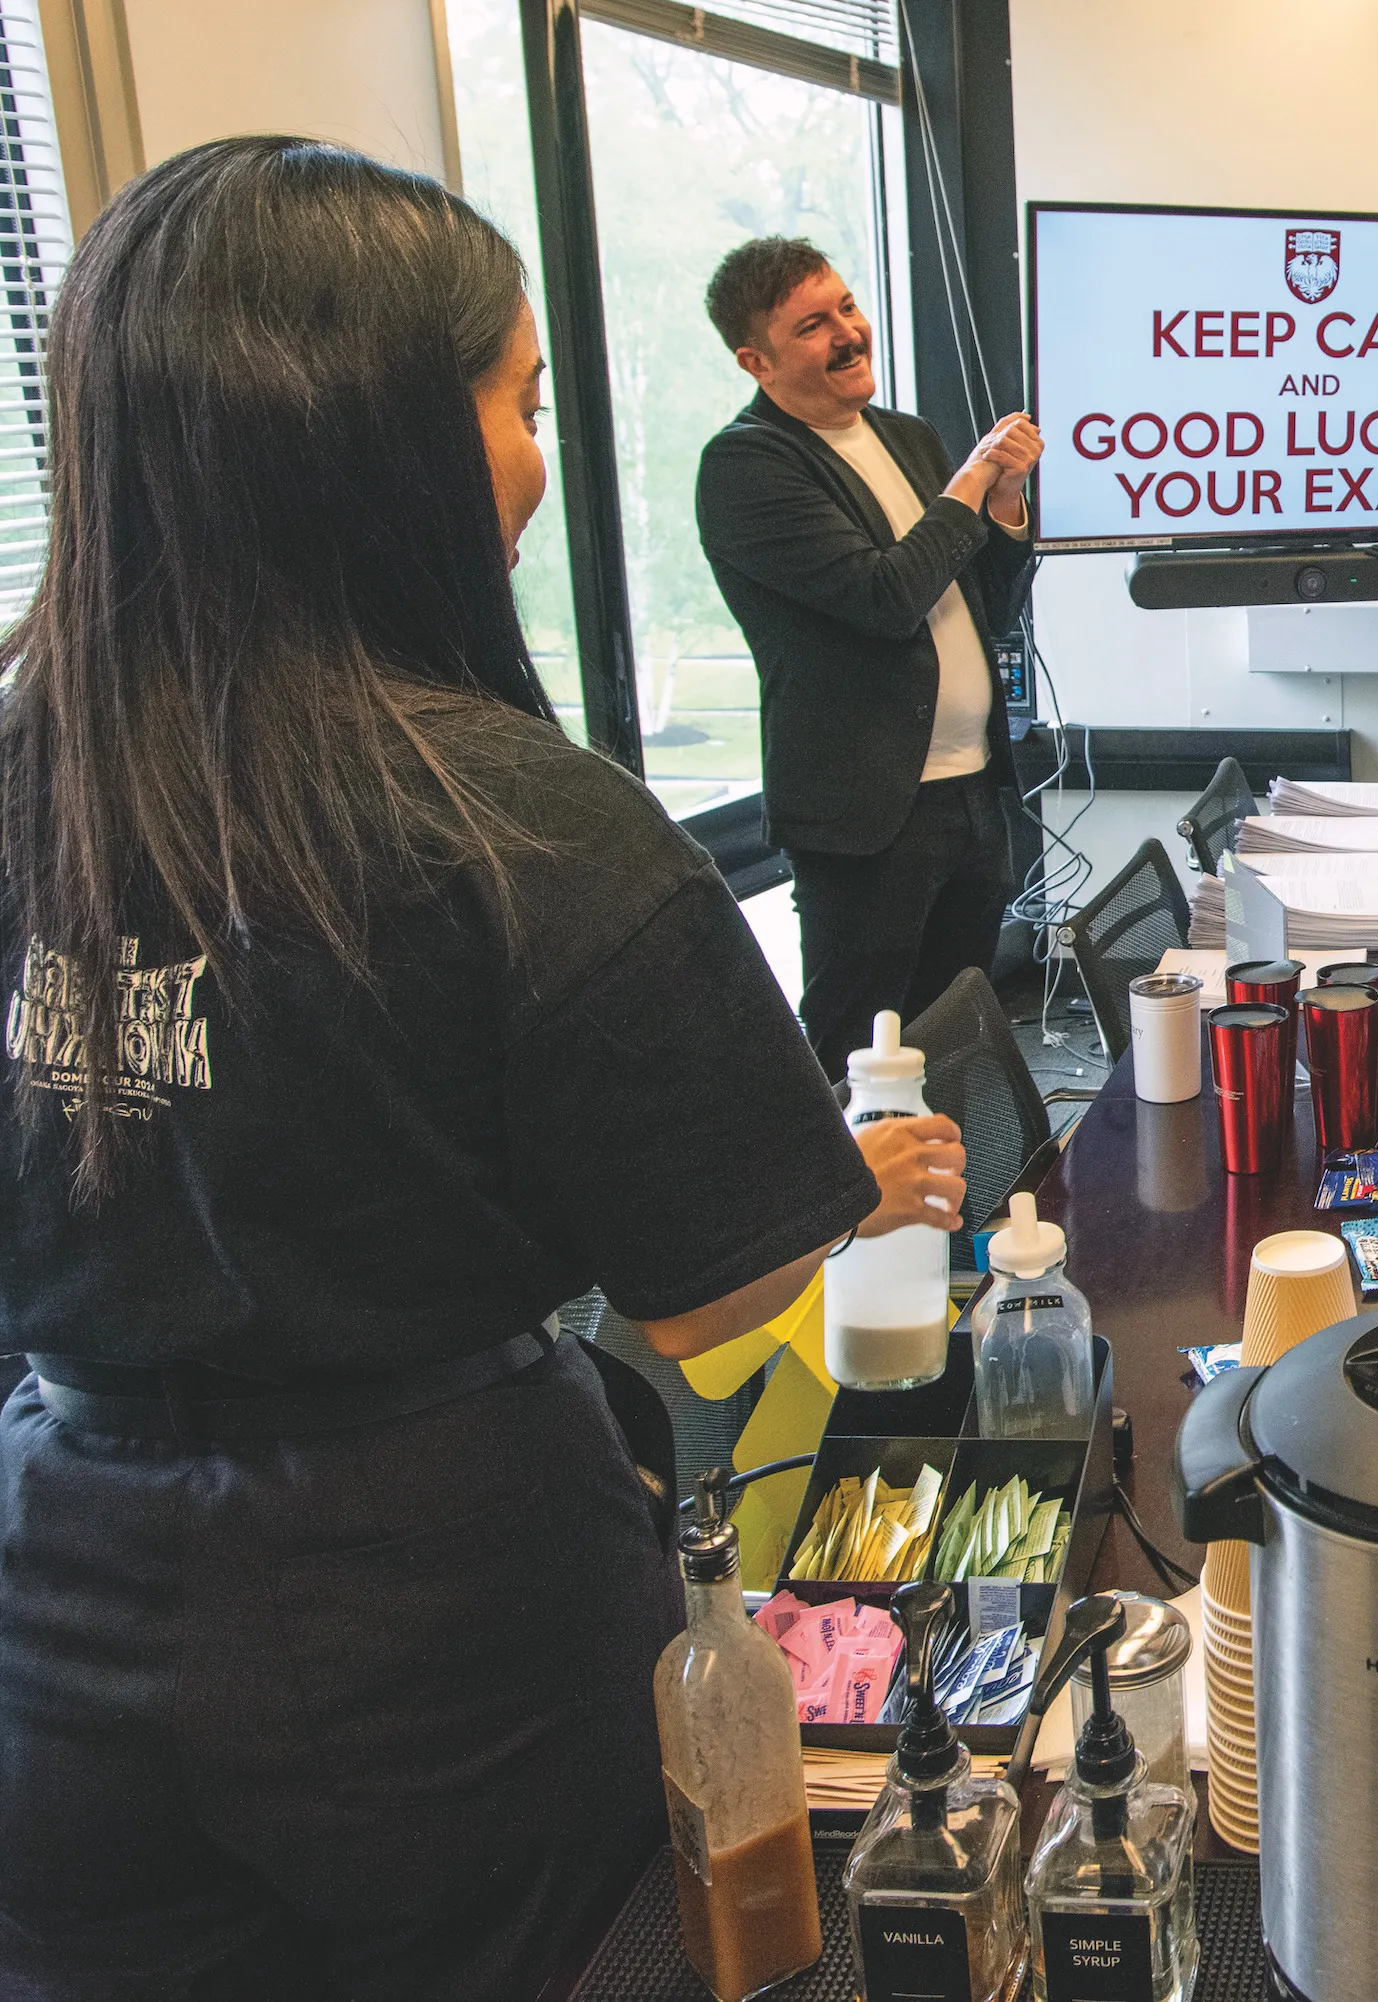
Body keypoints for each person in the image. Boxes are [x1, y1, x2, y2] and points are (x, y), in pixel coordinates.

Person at [0, 140, 967, 1996]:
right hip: (436, 1632)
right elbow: (724, 1296)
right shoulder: (522, 828)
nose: (535, 464)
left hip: (59, 1595)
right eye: (522, 407)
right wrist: (859, 1177)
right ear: (384, 447)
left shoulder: (35, 779)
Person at [695, 236, 1044, 1076]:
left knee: (963, 1035)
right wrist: (965, 486)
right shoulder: (748, 465)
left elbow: (985, 603)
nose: (850, 332)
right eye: (814, 325)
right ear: (756, 360)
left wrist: (1002, 503)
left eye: (847, 307)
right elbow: (886, 599)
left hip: (969, 791)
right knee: (865, 1047)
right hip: (867, 817)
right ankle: (858, 1210)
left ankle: (967, 1197)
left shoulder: (910, 438)